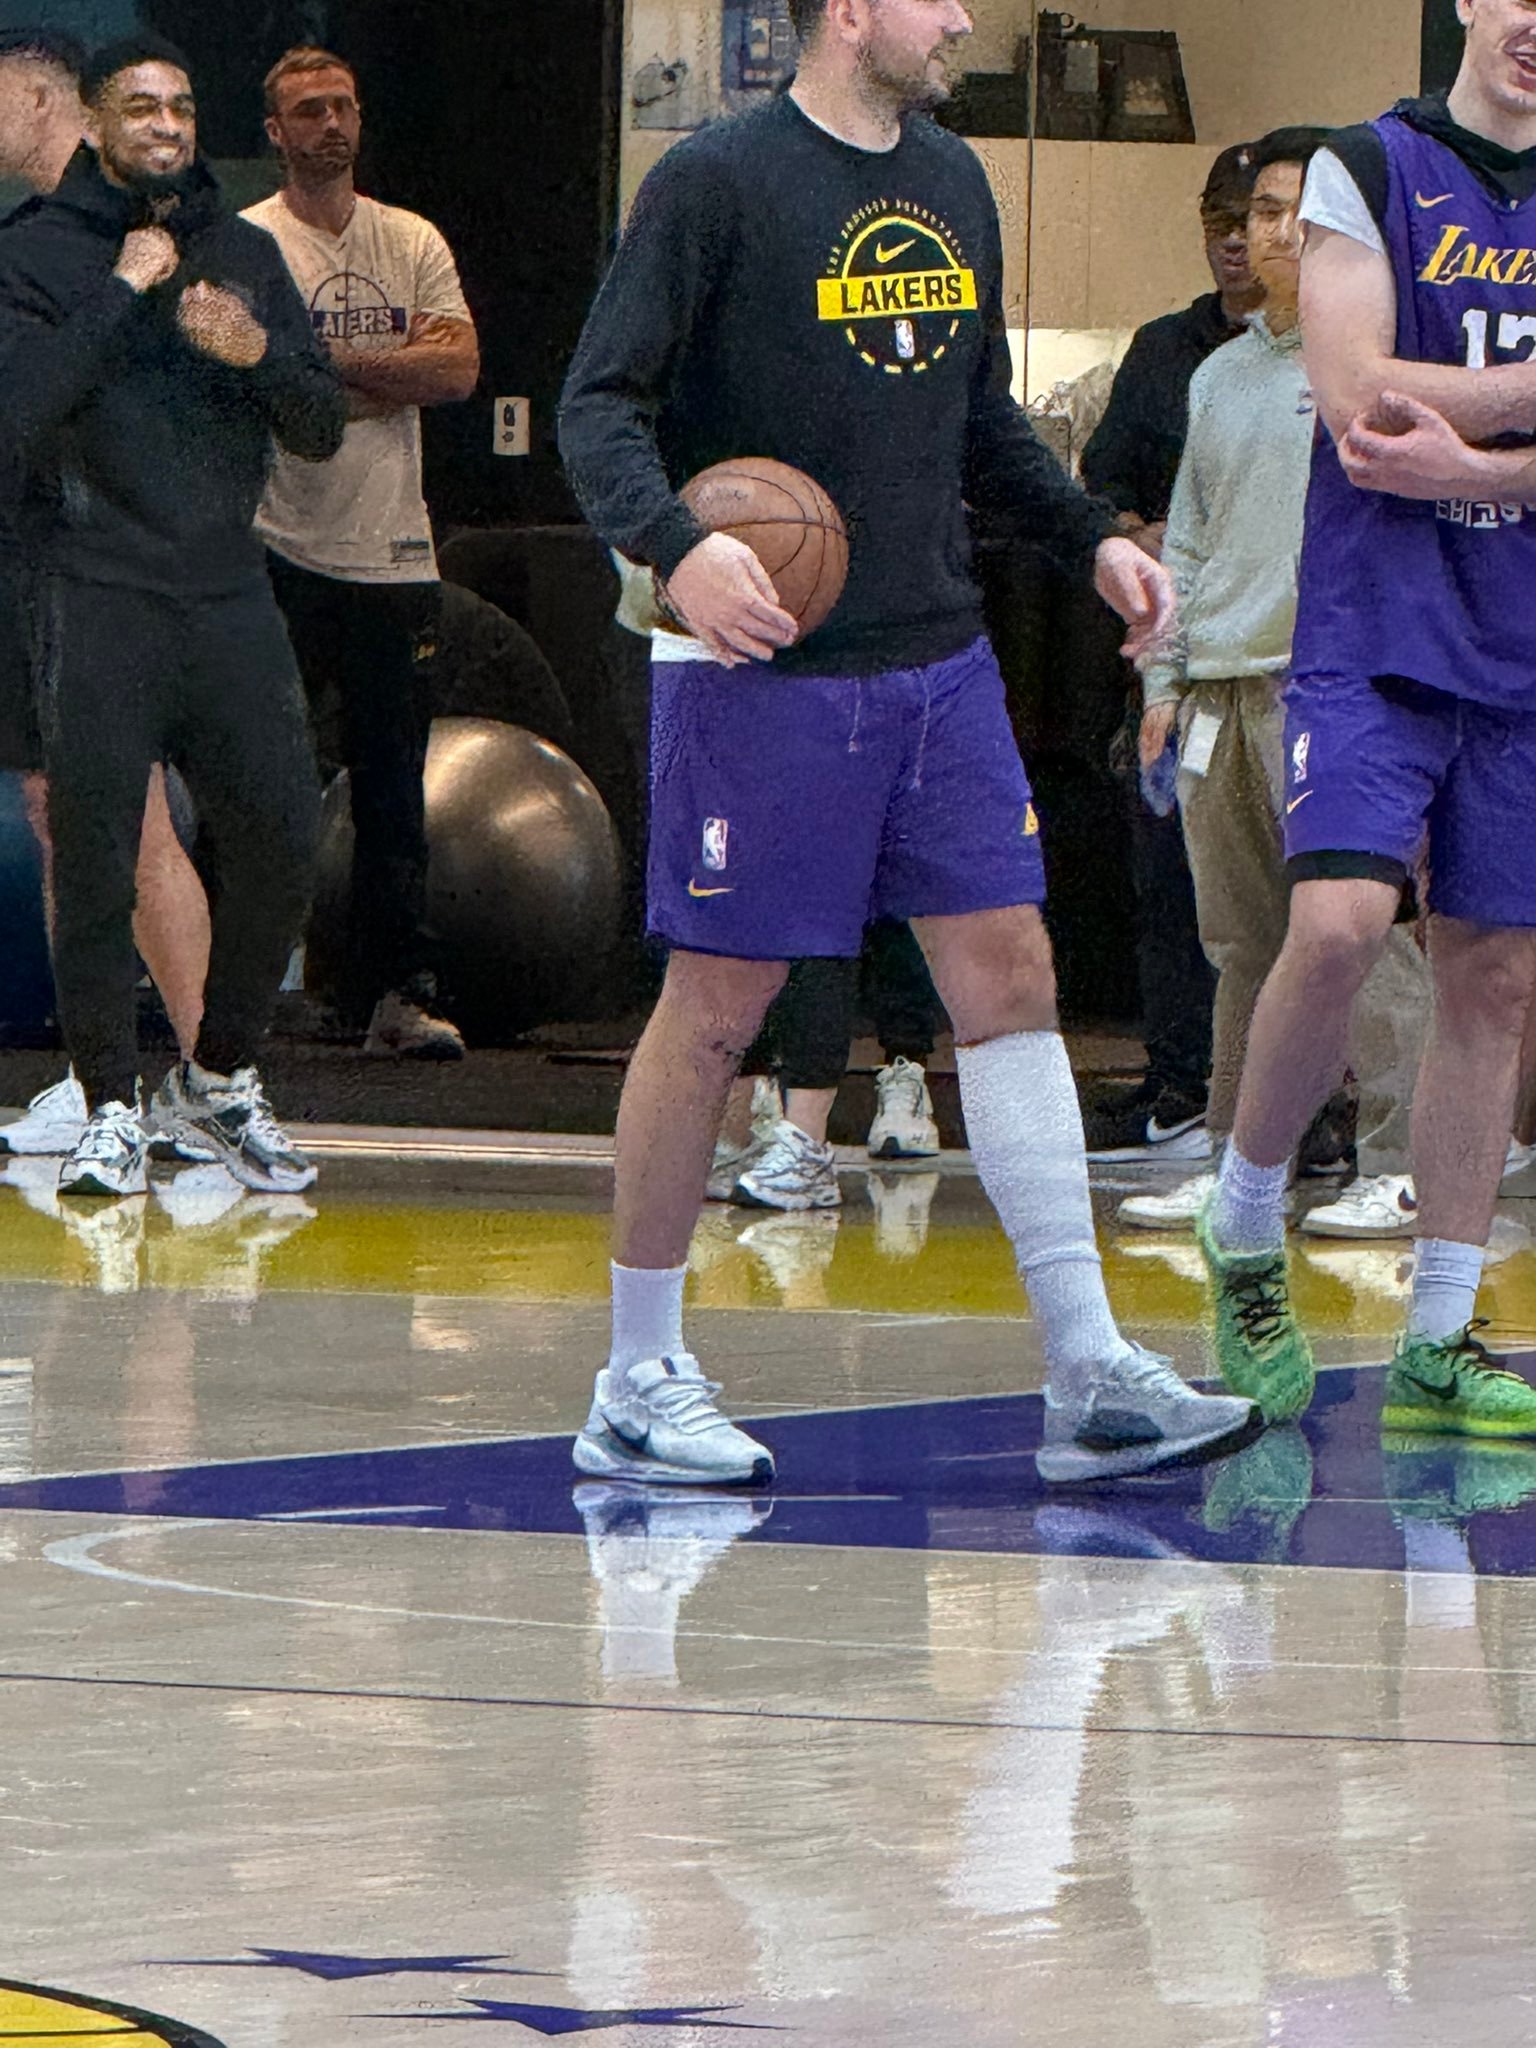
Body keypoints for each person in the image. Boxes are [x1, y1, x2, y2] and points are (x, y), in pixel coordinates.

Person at [558, 0, 1257, 1489]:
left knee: (1011, 977)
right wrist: (679, 545)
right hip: (760, 667)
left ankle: (1087, 1369)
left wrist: (1092, 539)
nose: (962, 20)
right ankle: (636, 1374)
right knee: (719, 1005)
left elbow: (979, 418)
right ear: (851, 10)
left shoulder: (952, 178)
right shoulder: (714, 180)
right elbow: (596, 408)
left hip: (937, 658)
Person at [1198, 0, 1536, 1438]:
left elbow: (1419, 413)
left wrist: (1481, 456)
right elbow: (1355, 399)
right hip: (1373, 630)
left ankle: (1442, 1334)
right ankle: (1241, 1215)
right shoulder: (1370, 164)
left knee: (1494, 981)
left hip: (1519, 639)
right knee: (1337, 924)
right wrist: (1524, 398)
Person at [0, 35, 345, 1198]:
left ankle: (219, 1073)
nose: (166, 124)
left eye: (183, 106)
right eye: (142, 105)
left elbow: (319, 422)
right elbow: (17, 413)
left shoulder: (244, 250)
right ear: (95, 123)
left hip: (225, 582)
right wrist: (121, 290)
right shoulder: (36, 252)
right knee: (96, 856)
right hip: (93, 583)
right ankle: (107, 1101)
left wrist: (255, 352)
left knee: (286, 833)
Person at [1120, 128, 1429, 1245]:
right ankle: (1240, 1164)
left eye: (1300, 210)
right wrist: (1167, 679)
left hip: (1335, 691)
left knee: (1367, 939)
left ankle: (1402, 1165)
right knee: (1243, 946)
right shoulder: (1218, 375)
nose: (1276, 231)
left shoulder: (1380, 367)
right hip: (1220, 693)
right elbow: (1190, 542)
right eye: (1259, 212)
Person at [0, 27, 211, 1162]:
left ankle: (216, 1082)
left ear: (45, 100)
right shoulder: (35, 241)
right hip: (34, 557)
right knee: (58, 813)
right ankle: (97, 1078)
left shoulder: (147, 229)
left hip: (112, 563)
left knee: (130, 823)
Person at [247, 45, 480, 1062]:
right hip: (276, 549)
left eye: (342, 106)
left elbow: (458, 370)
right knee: (260, 778)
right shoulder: (249, 243)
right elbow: (249, 384)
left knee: (393, 790)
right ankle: (253, 985)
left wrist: (321, 365)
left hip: (394, 555)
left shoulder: (410, 238)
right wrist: (386, 373)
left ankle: (396, 994)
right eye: (309, 110)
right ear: (275, 132)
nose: (331, 124)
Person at [1074, 143, 1260, 1166]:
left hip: (1282, 653)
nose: (1237, 238)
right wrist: (1145, 543)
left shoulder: (1329, 349)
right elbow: (1104, 494)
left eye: (1258, 216)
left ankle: (1301, 1111)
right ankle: (1183, 1085)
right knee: (1169, 880)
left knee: (1300, 904)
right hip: (1174, 648)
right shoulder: (1166, 351)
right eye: (1220, 217)